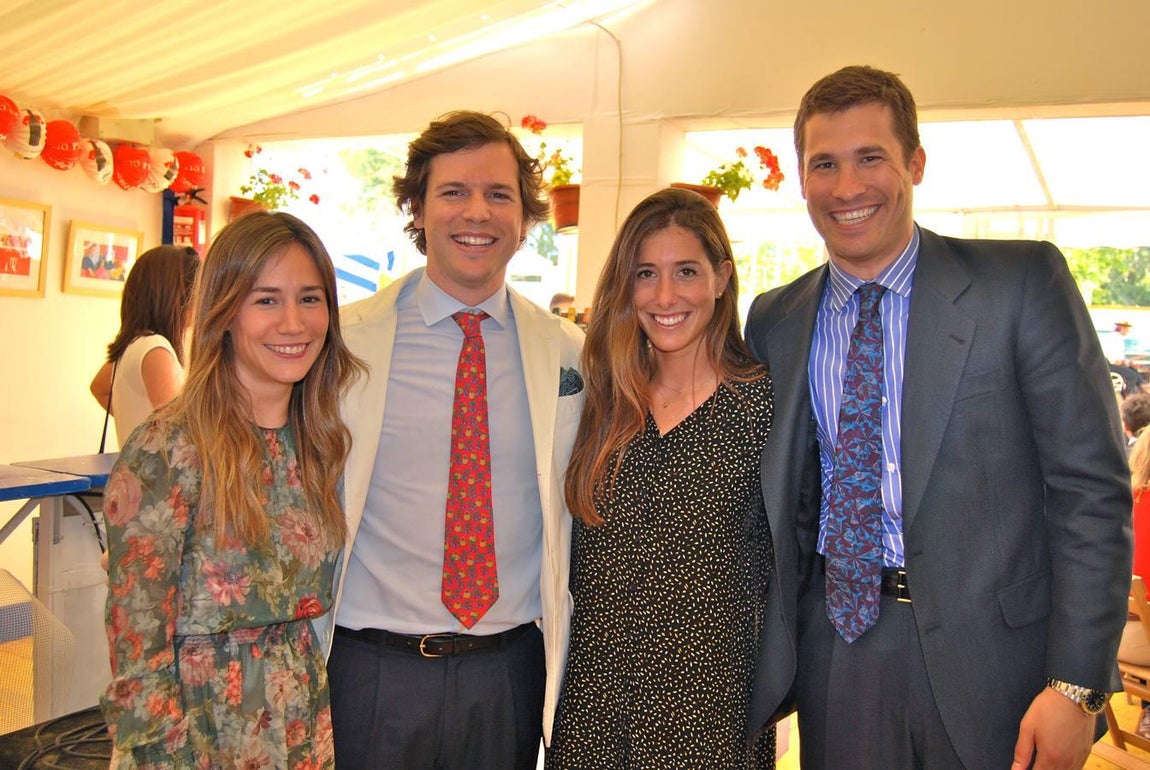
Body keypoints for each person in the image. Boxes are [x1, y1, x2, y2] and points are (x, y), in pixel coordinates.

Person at [743, 65, 1132, 769]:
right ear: (801, 178)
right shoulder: (776, 320)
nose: (847, 187)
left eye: (871, 157)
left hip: (999, 665)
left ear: (915, 163)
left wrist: (1076, 686)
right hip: (840, 654)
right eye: (825, 164)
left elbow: (1090, 493)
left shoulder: (1019, 284)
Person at [325, 111, 585, 769]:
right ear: (417, 208)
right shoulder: (344, 344)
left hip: (508, 674)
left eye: (499, 194)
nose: (478, 212)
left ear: (524, 216)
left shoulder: (569, 352)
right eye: (453, 192)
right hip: (371, 672)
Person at [100, 211, 366, 768]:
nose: (293, 323)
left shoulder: (319, 442)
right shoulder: (169, 445)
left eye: (310, 299)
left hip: (299, 721)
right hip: (197, 731)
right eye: (266, 300)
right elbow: (137, 635)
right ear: (224, 312)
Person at [546, 187, 775, 768]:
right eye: (645, 273)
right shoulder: (600, 399)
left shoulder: (763, 407)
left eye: (686, 272)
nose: (665, 295)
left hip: (711, 715)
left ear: (721, 278)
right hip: (594, 708)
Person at [89, 244, 200, 447]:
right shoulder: (155, 349)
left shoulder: (134, 344)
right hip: (159, 467)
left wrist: (137, 427)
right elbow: (181, 431)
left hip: (139, 464)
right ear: (178, 296)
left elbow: (99, 387)